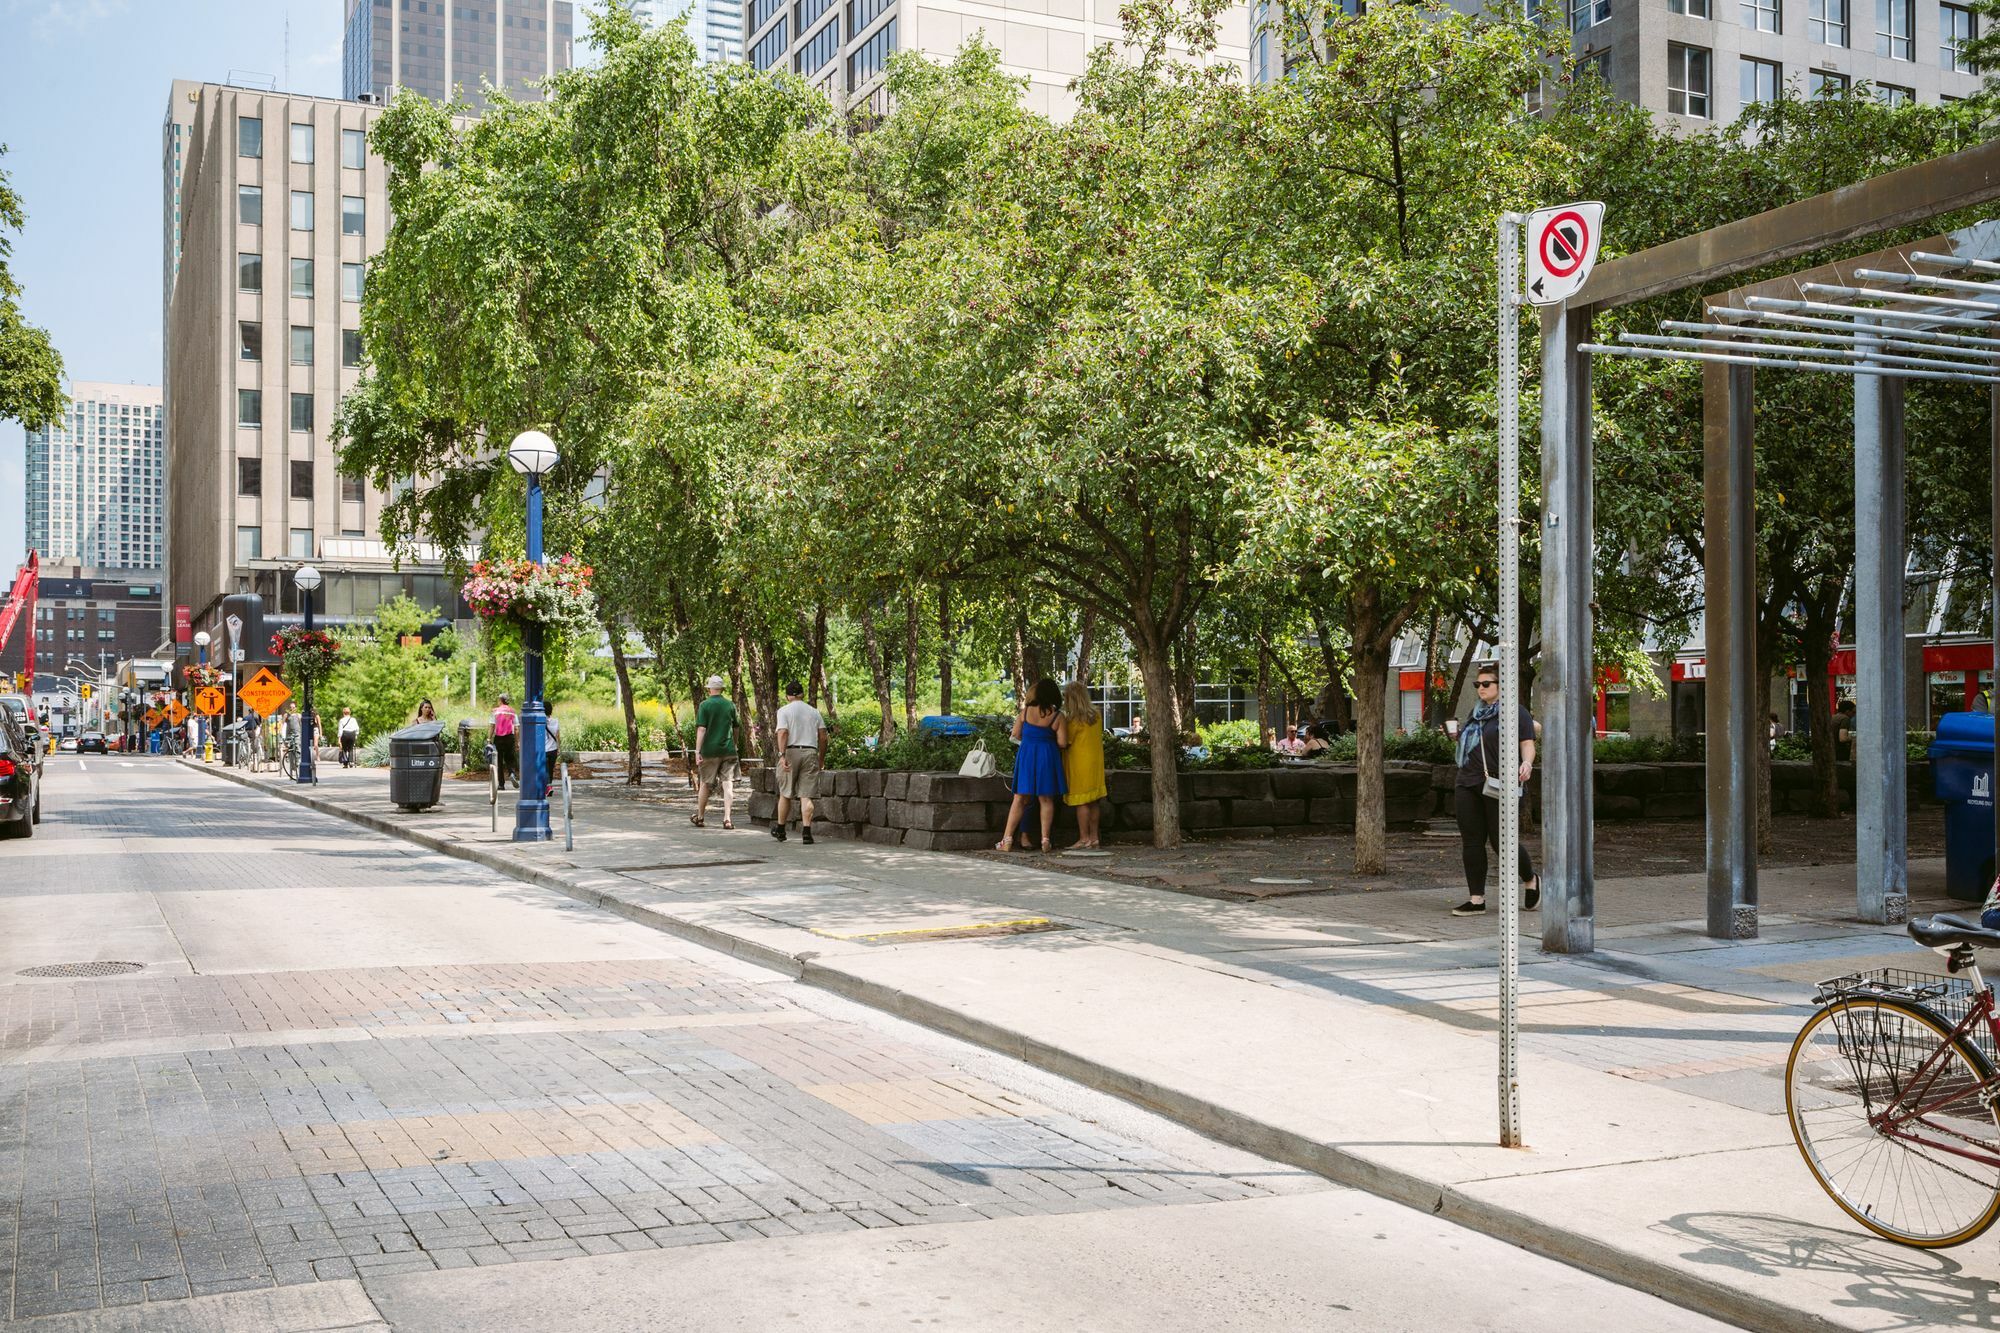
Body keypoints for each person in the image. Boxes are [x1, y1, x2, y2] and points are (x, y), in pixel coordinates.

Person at [1451, 664, 1540, 917]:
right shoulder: (1475, 713)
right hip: (1467, 781)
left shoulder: (1515, 713)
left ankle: (1531, 878)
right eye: (1477, 685)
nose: (1480, 688)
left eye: (1486, 684)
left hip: (1500, 783)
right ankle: (1476, 900)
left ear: (1502, 686)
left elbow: (1527, 743)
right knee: (1472, 841)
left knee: (1502, 842)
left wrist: (1527, 763)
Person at [997, 678, 1068, 853]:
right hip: (1047, 756)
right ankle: (1045, 839)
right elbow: (1062, 743)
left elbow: (1015, 734)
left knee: (1019, 798)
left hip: (1027, 755)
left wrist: (1030, 741)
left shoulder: (1025, 711)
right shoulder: (1057, 715)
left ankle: (1006, 840)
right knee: (1046, 799)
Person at [772, 681, 827, 844]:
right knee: (806, 795)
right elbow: (823, 736)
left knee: (785, 793)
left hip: (790, 752)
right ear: (802, 694)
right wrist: (821, 758)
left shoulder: (783, 711)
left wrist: (782, 755)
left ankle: (781, 830)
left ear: (788, 696)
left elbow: (782, 733)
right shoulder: (814, 712)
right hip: (810, 751)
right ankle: (807, 833)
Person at [1060, 681, 1107, 849]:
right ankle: (1094, 837)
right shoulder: (1096, 715)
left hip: (1079, 763)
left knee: (1082, 802)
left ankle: (1084, 838)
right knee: (1094, 801)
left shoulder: (1073, 719)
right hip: (1095, 762)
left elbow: (1065, 742)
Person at [693, 675, 741, 830]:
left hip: (709, 751)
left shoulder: (705, 705)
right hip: (728, 750)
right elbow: (736, 727)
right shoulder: (730, 705)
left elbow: (701, 728)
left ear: (710, 689)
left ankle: (700, 817)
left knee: (706, 784)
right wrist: (734, 743)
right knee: (728, 785)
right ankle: (727, 819)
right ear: (722, 689)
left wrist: (697, 750)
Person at [491, 696, 519, 789]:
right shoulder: (512, 711)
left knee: (498, 761)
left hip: (498, 738)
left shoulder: (495, 711)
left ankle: (501, 784)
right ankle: (512, 773)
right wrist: (517, 741)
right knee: (510, 758)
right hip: (509, 737)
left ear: (500, 701)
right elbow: (516, 728)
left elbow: (492, 726)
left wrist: (489, 739)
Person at [543, 701, 562, 788]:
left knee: (545, 770)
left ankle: (548, 787)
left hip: (544, 749)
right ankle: (549, 785)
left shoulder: (540, 721)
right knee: (550, 770)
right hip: (553, 749)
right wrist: (559, 748)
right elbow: (558, 736)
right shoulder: (556, 721)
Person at [1834, 698, 1857, 763]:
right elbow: (1843, 738)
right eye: (1853, 712)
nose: (1854, 715)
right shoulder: (1845, 719)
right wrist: (1853, 738)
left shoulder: (1834, 717)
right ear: (1847, 711)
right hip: (1839, 753)